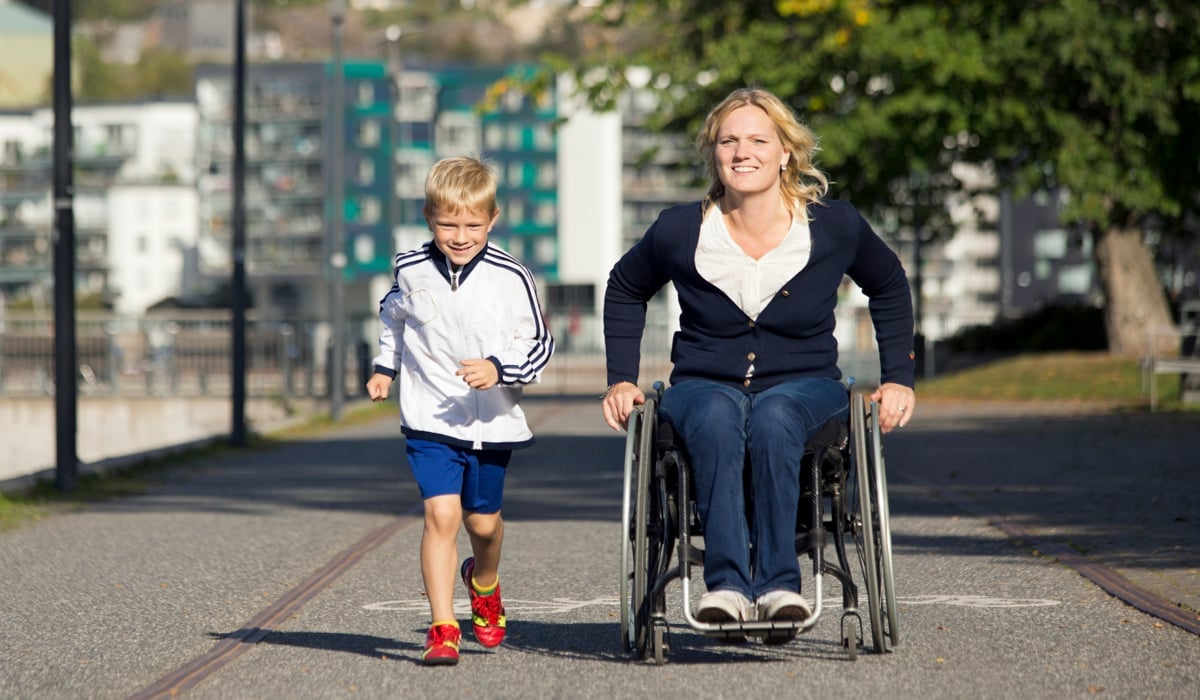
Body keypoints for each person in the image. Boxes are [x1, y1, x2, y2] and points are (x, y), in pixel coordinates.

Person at [600, 87, 915, 644]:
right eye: (728, 141)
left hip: (807, 386)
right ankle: (724, 587)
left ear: (784, 152)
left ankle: (777, 585)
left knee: (774, 415)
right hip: (702, 384)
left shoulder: (832, 225)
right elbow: (626, 286)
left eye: (757, 140)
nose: (742, 152)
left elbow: (888, 284)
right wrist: (621, 379)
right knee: (719, 417)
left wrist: (897, 379)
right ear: (714, 154)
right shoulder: (681, 228)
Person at [366, 156, 555, 666]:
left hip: (492, 420)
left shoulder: (512, 276)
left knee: (485, 524)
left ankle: (484, 581)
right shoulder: (409, 269)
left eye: (472, 224)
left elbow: (539, 343)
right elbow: (393, 319)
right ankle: (443, 626)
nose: (460, 234)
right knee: (441, 513)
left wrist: (500, 369)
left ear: (492, 220)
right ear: (429, 216)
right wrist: (386, 367)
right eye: (448, 223)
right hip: (430, 417)